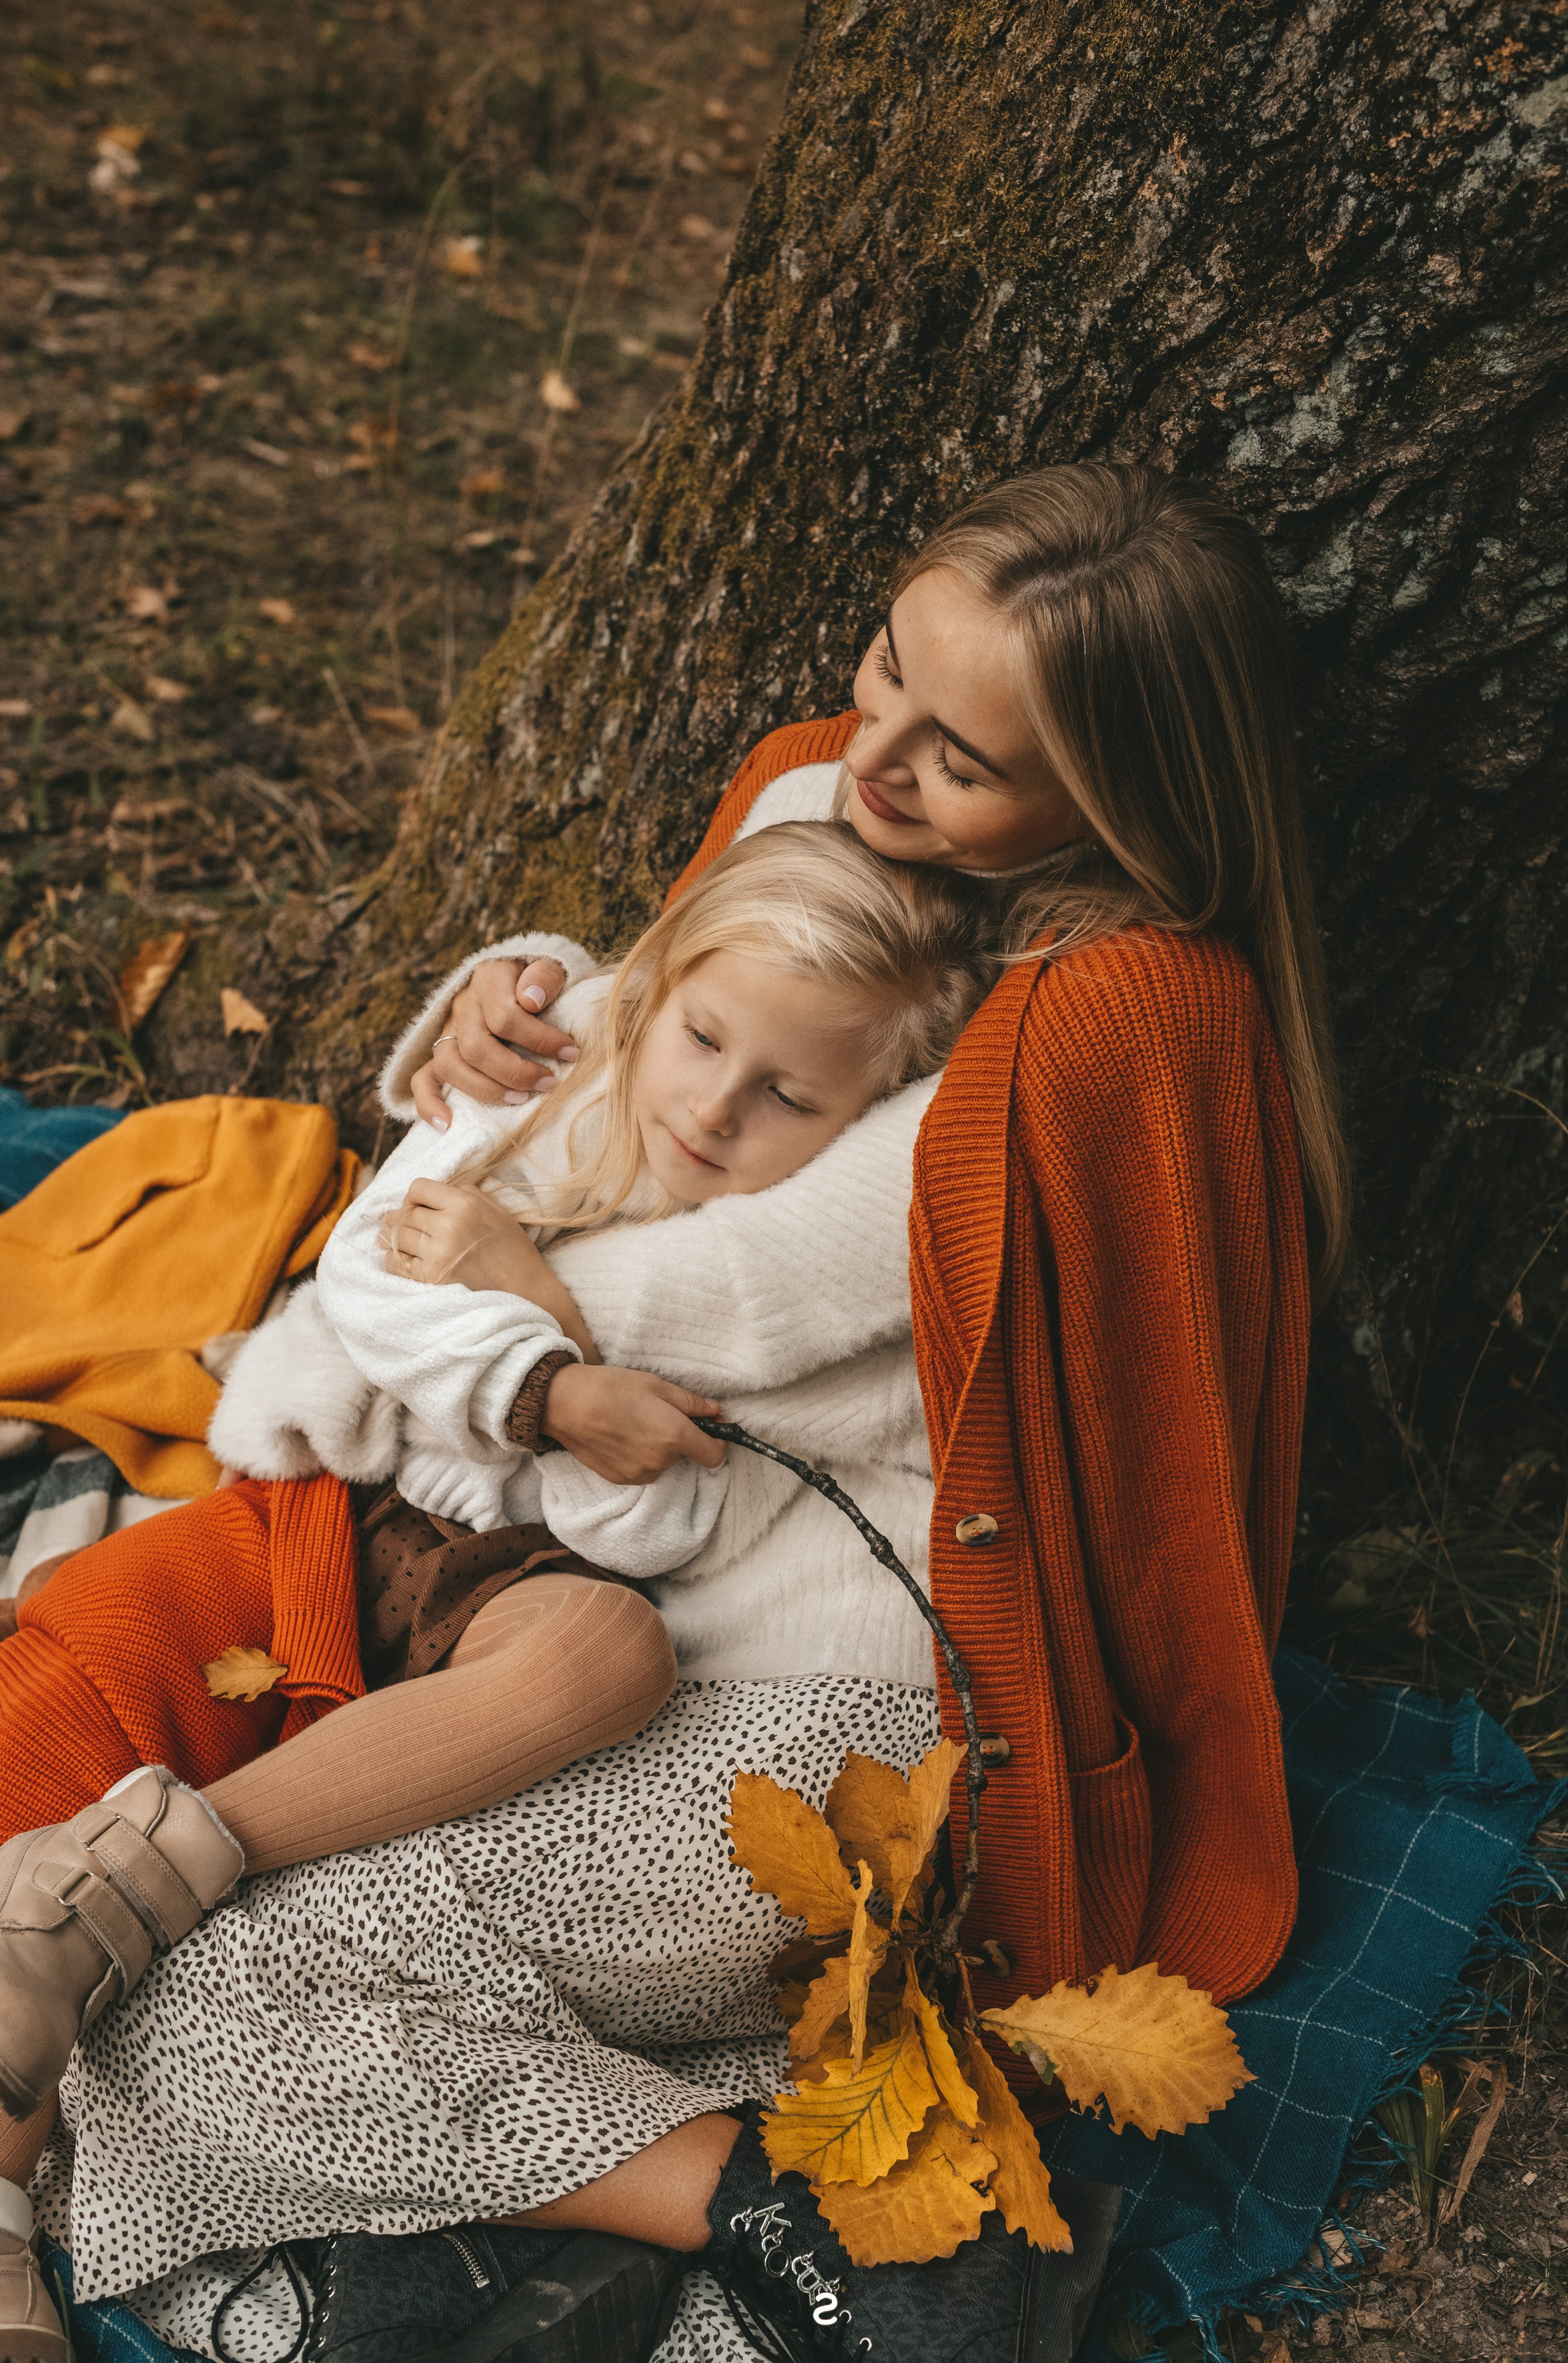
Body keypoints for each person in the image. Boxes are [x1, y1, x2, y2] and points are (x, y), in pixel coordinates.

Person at [1, 462, 1343, 2363]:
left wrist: (453, 1270)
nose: (874, 756)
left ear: (1112, 803)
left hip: (835, 1718)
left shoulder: (1103, 1016)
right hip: (622, 1601)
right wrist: (501, 1023)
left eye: (959, 756)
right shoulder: (830, 810)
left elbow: (710, 1285)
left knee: (192, 2022)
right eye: (884, 675)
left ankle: (813, 2225)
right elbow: (634, 1056)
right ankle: (620, 2246)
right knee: (168, 1885)